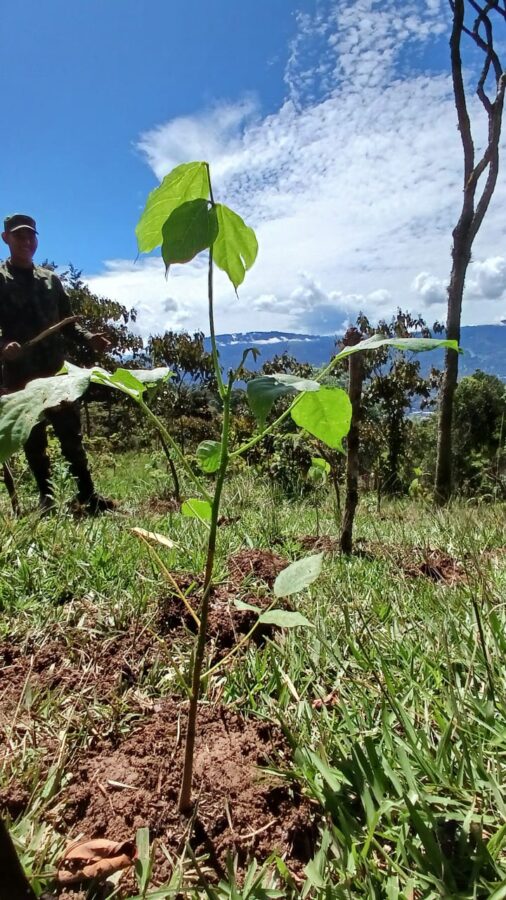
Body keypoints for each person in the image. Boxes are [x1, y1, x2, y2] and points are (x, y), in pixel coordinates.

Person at [0, 213, 115, 513]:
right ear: (6, 239)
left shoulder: (51, 280)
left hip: (56, 374)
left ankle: (88, 496)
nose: (26, 242)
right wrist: (3, 346)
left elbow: (67, 323)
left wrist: (89, 338)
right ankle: (46, 499)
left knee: (71, 437)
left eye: (31, 236)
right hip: (20, 379)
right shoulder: (0, 280)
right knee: (33, 441)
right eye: (19, 236)